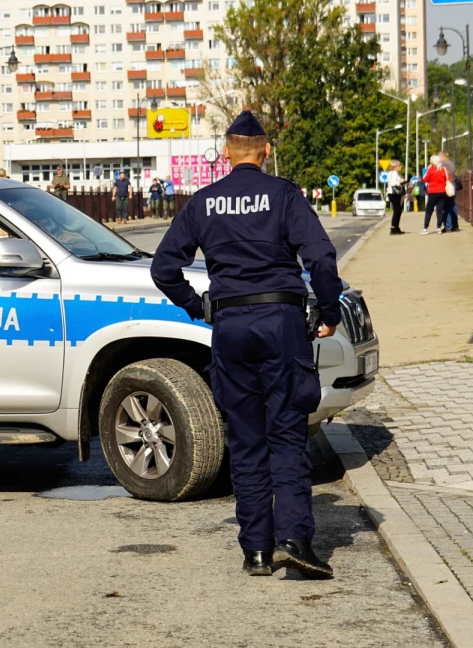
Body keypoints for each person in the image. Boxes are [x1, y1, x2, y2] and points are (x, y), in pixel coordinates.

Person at [150, 111, 343, 579]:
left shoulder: (204, 202)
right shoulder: (284, 195)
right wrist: (330, 311)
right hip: (280, 323)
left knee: (247, 440)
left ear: (225, 155)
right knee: (287, 435)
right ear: (266, 151)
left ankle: (256, 550)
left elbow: (163, 268)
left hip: (231, 327)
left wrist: (198, 307)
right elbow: (319, 256)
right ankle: (294, 539)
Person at [421, 154, 448, 234]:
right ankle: (439, 227)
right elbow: (447, 178)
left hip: (433, 192)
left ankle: (425, 228)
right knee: (439, 210)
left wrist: (427, 170)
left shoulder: (431, 170)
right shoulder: (443, 169)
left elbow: (425, 179)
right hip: (442, 191)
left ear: (432, 162)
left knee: (429, 210)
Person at [440, 152, 460, 232]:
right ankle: (455, 225)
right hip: (453, 185)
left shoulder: (443, 164)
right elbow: (456, 174)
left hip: (447, 186)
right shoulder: (451, 163)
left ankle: (448, 226)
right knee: (453, 205)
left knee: (447, 206)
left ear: (443, 157)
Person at [385, 161, 406, 235]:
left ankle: (396, 227)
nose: (400, 167)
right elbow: (393, 183)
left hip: (391, 193)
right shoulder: (394, 173)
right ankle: (393, 228)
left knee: (398, 210)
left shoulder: (390, 173)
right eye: (399, 165)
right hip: (395, 194)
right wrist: (400, 181)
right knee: (397, 211)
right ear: (395, 166)